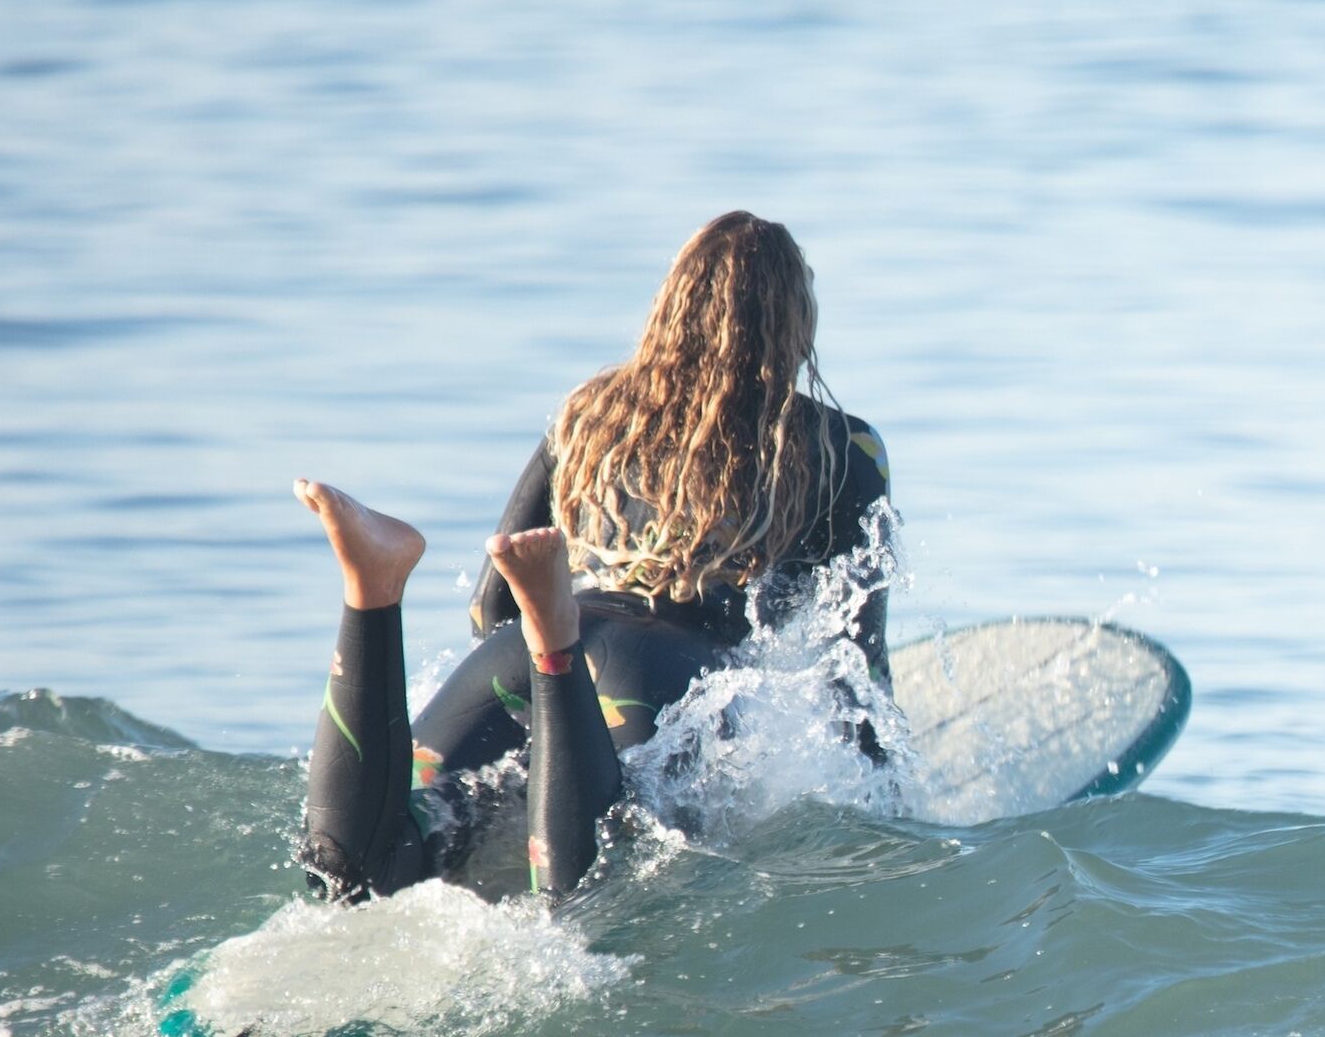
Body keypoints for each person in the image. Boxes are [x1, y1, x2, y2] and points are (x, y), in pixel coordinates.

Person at [290, 210, 894, 901]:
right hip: (660, 673)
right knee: (589, 900)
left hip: (520, 649)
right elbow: (857, 668)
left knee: (357, 879)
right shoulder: (839, 447)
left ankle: (373, 592)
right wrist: (883, 806)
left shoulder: (591, 411)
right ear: (796, 320)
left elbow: (490, 605)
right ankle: (556, 647)